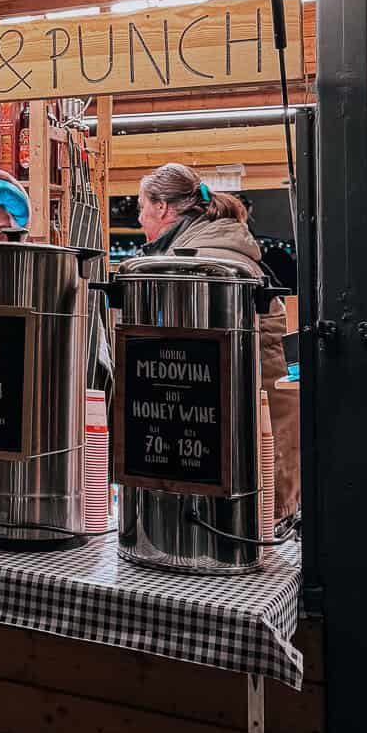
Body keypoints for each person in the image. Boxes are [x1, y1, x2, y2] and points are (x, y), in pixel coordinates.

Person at [136, 162, 299, 521]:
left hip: (239, 479)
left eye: (142, 208)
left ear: (162, 207)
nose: (140, 219)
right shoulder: (217, 247)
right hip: (259, 457)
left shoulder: (205, 262)